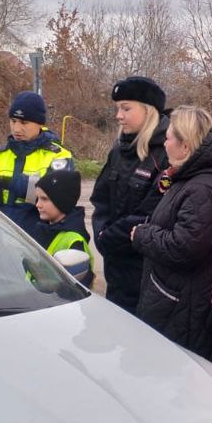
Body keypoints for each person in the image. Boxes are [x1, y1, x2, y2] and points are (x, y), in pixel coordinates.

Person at [130, 106, 212, 379]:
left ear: (185, 145)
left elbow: (186, 246)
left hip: (188, 309)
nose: (165, 142)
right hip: (188, 303)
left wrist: (143, 235)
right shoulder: (195, 179)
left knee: (190, 388)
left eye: (170, 137)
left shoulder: (202, 188)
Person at [90, 76, 169, 314]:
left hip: (145, 271)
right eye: (117, 108)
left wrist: (112, 237)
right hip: (116, 269)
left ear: (148, 111)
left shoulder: (166, 151)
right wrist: (101, 234)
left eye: (126, 108)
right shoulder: (119, 150)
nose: (118, 116)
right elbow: (100, 198)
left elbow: (153, 212)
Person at [0, 91, 74, 224]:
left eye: (24, 122)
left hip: (35, 237)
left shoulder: (58, 156)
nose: (17, 129)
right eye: (13, 121)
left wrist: (4, 183)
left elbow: (54, 197)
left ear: (40, 124)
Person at [18, 169, 94, 287]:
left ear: (61, 201)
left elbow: (77, 288)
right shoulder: (43, 228)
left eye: (44, 199)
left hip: (56, 303)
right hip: (33, 298)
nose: (38, 204)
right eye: (37, 198)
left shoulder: (74, 240)